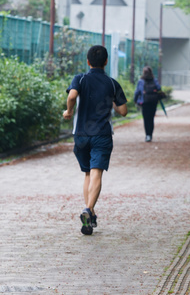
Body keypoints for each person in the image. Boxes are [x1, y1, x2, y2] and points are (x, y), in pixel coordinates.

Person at [63, 45, 128, 236]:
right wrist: (112, 103)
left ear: (88, 61)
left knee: (87, 175)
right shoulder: (112, 83)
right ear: (106, 62)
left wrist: (69, 111)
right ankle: (88, 210)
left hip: (81, 134)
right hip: (102, 135)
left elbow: (72, 95)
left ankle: (89, 217)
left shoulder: (80, 78)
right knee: (96, 173)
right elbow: (123, 111)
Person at [134, 66, 163, 142]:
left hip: (145, 102)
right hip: (153, 101)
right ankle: (150, 134)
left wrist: (135, 100)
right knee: (151, 118)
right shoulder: (154, 80)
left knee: (146, 119)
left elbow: (137, 92)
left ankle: (147, 135)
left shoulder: (141, 81)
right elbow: (159, 88)